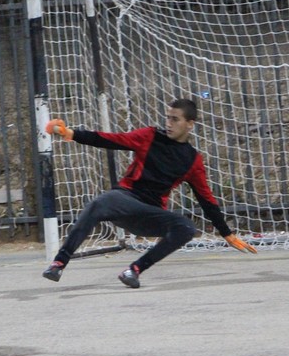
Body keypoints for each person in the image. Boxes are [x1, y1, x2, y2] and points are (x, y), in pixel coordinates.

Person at [42, 98, 257, 289]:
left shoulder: (192, 160)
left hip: (149, 215)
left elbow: (206, 200)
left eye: (175, 119)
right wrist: (72, 134)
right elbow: (111, 139)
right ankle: (59, 263)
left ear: (190, 124)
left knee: (186, 228)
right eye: (168, 118)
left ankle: (134, 270)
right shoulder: (149, 136)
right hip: (125, 199)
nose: (169, 123)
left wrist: (226, 234)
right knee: (99, 203)